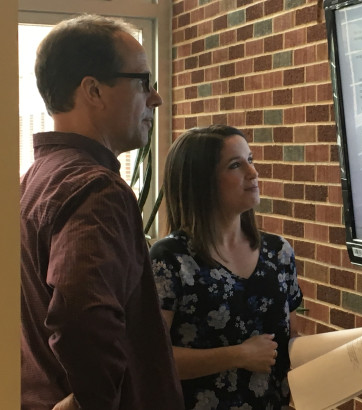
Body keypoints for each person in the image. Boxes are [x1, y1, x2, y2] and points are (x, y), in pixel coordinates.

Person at [20, 14, 184, 410]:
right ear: (93, 90)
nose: (156, 98)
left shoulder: (35, 179)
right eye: (143, 82)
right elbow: (80, 317)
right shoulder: (96, 188)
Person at [150, 125, 303, 409]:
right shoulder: (170, 258)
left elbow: (291, 339)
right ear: (201, 181)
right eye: (236, 165)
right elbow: (152, 360)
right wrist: (238, 355)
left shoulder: (278, 253)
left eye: (251, 160)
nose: (253, 173)